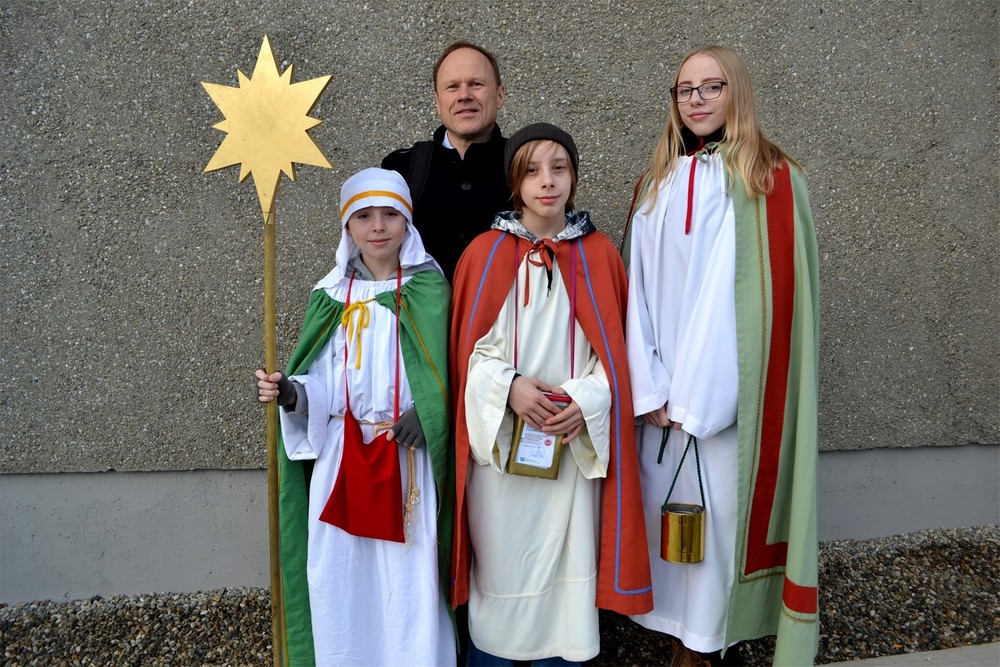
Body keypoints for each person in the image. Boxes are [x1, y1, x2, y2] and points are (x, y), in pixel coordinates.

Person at [623, 46, 820, 666]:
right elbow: (635, 291)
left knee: (719, 531)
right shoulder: (655, 182)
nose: (698, 99)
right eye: (686, 89)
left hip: (723, 402)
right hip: (661, 401)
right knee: (668, 526)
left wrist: (695, 399)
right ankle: (678, 643)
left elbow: (740, 302)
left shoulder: (770, 181)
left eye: (712, 86)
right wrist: (648, 387)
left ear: (738, 92)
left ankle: (706, 650)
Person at [450, 123, 653, 665]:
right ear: (515, 181)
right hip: (503, 455)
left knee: (569, 566)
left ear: (574, 177)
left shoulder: (600, 254)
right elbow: (467, 356)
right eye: (533, 171)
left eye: (559, 168)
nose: (547, 181)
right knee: (501, 564)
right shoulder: (484, 254)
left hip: (569, 448)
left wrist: (584, 401)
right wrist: (510, 388)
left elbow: (617, 357)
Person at [255, 168, 455, 666]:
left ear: (408, 222)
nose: (378, 226)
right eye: (364, 216)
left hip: (407, 460)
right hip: (342, 460)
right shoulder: (329, 296)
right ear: (347, 227)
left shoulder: (430, 290)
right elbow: (321, 380)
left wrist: (427, 412)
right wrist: (292, 393)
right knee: (340, 576)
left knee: (409, 578)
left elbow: (451, 371)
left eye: (390, 214)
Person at [382, 40, 511, 281]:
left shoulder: (528, 165)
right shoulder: (399, 170)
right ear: (437, 102)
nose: (464, 95)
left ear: (500, 95)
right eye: (452, 87)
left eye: (476, 84)